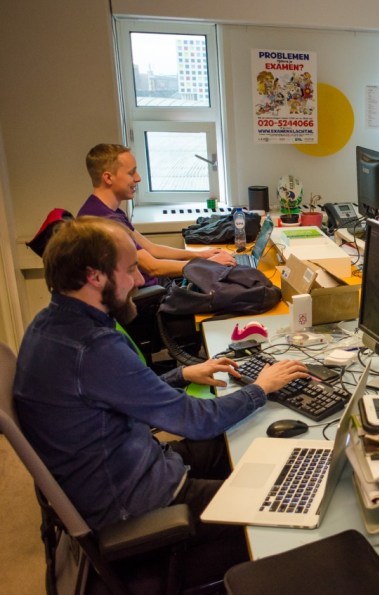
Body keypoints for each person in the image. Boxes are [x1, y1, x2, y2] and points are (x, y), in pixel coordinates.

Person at [13, 216, 309, 584]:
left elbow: (119, 390)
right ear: (94, 277)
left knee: (238, 443)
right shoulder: (93, 348)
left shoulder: (49, 325)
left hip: (130, 462)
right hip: (141, 503)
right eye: (130, 269)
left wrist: (182, 374)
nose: (140, 280)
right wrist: (260, 388)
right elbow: (196, 420)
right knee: (284, 505)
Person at [78, 143, 235, 287]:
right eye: (131, 173)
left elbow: (152, 249)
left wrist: (201, 255)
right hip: (151, 296)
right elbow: (153, 267)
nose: (138, 178)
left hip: (159, 285)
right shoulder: (103, 223)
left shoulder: (108, 211)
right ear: (108, 178)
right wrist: (208, 264)